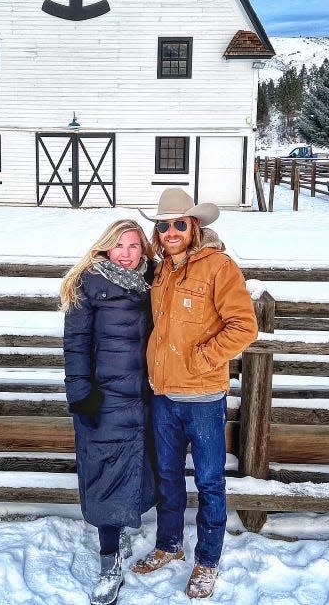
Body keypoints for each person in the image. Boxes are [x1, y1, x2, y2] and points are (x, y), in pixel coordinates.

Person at [132, 188, 258, 599]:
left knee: (209, 482)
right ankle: (169, 546)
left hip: (203, 398)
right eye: (164, 224)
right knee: (167, 477)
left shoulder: (219, 267)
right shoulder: (161, 269)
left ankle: (207, 559)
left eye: (179, 224)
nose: (171, 231)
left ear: (195, 226)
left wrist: (203, 360)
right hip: (163, 396)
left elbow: (244, 326)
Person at [61, 219, 156, 605]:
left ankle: (133, 538)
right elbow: (75, 343)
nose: (126, 253)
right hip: (105, 399)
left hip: (145, 399)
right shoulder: (89, 285)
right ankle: (109, 561)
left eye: (134, 246)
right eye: (119, 246)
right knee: (104, 474)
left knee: (139, 469)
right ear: (104, 249)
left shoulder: (152, 285)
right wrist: (82, 394)